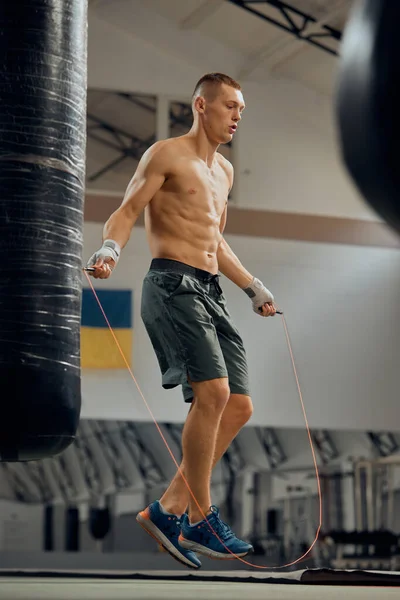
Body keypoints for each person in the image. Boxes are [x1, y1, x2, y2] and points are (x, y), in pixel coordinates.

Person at [86, 73, 277, 569]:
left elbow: (216, 242)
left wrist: (253, 288)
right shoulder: (166, 154)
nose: (237, 116)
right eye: (230, 106)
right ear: (201, 105)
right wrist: (109, 250)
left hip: (211, 290)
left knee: (239, 405)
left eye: (241, 109)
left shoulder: (225, 173)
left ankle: (167, 510)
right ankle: (201, 517)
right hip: (171, 284)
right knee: (212, 393)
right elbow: (127, 212)